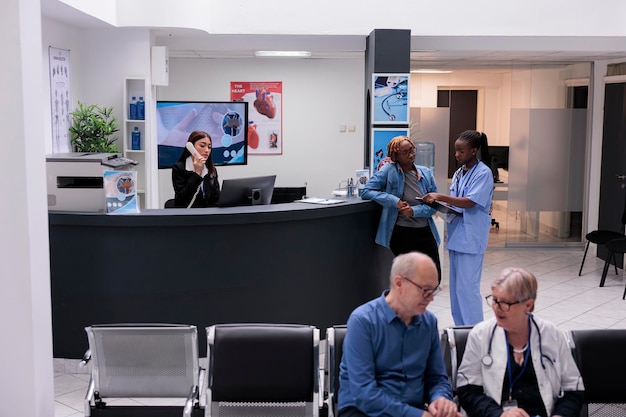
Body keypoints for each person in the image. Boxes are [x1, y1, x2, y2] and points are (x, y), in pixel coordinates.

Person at [338, 252, 462, 417]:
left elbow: (437, 378)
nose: (431, 298)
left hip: (413, 408)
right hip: (364, 412)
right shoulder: (363, 321)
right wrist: (418, 415)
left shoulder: (428, 322)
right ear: (399, 283)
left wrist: (440, 400)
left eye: (434, 291)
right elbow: (364, 394)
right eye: (425, 290)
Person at [457, 268, 584, 417]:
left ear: (528, 305)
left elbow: (573, 388)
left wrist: (561, 415)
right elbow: (467, 390)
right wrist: (498, 415)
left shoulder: (552, 334)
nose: (497, 308)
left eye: (505, 303)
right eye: (494, 300)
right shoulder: (480, 335)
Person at [422, 130, 494, 325]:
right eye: (456, 151)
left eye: (461, 151)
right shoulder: (459, 173)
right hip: (457, 235)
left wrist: (439, 196)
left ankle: (474, 332)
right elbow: (456, 204)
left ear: (474, 150)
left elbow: (470, 202)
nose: (457, 155)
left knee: (467, 289)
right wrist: (438, 204)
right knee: (455, 290)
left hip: (471, 238)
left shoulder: (483, 173)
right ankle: (460, 329)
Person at [361, 136, 442, 281]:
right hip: (401, 233)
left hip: (425, 231)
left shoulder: (426, 173)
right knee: (408, 278)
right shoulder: (388, 171)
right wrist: (394, 201)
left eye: (412, 150)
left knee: (433, 277)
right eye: (405, 153)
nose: (411, 155)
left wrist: (414, 211)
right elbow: (366, 191)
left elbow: (433, 207)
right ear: (395, 156)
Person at [172, 130, 220, 208]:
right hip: (186, 215)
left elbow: (216, 199)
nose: (207, 150)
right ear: (191, 147)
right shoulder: (179, 168)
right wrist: (197, 173)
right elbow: (182, 199)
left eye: (209, 147)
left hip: (207, 215)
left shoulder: (211, 170)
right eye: (202, 146)